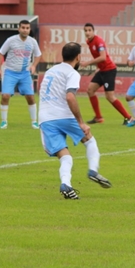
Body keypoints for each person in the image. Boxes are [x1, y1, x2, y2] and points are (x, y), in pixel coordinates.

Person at [38, 42, 112, 199]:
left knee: (65, 156)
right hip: (64, 116)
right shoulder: (72, 73)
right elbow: (70, 96)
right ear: (78, 57)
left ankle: (66, 185)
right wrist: (81, 122)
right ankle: (93, 170)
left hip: (46, 119)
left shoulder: (50, 70)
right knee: (89, 140)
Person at [80, 23, 132, 125]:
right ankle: (98, 117)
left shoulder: (99, 41)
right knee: (90, 90)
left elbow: (103, 57)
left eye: (89, 30)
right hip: (102, 70)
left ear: (93, 31)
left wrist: (87, 63)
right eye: (85, 30)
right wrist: (97, 67)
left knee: (110, 96)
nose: (87, 32)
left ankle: (128, 118)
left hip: (109, 70)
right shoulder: (88, 42)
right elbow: (97, 56)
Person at [0, 20, 42, 129]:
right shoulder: (11, 40)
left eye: (27, 28)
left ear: (29, 29)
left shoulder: (32, 42)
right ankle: (3, 121)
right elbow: (0, 53)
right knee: (5, 96)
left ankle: (34, 122)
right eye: (23, 28)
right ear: (19, 28)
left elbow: (38, 55)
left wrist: (33, 65)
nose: (25, 30)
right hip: (10, 72)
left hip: (25, 73)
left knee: (30, 97)